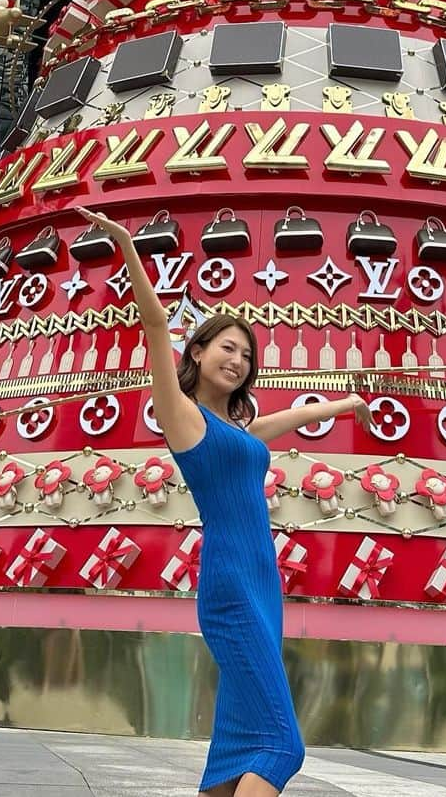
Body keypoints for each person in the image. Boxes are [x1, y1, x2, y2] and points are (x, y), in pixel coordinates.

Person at [74, 207, 372, 797]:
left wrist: (343, 405)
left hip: (263, 583)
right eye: (227, 349)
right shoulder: (182, 419)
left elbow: (288, 418)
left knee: (239, 741)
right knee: (282, 745)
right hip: (231, 582)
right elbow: (157, 326)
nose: (237, 362)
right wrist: (127, 245)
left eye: (246, 357)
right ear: (200, 350)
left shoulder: (235, 431)